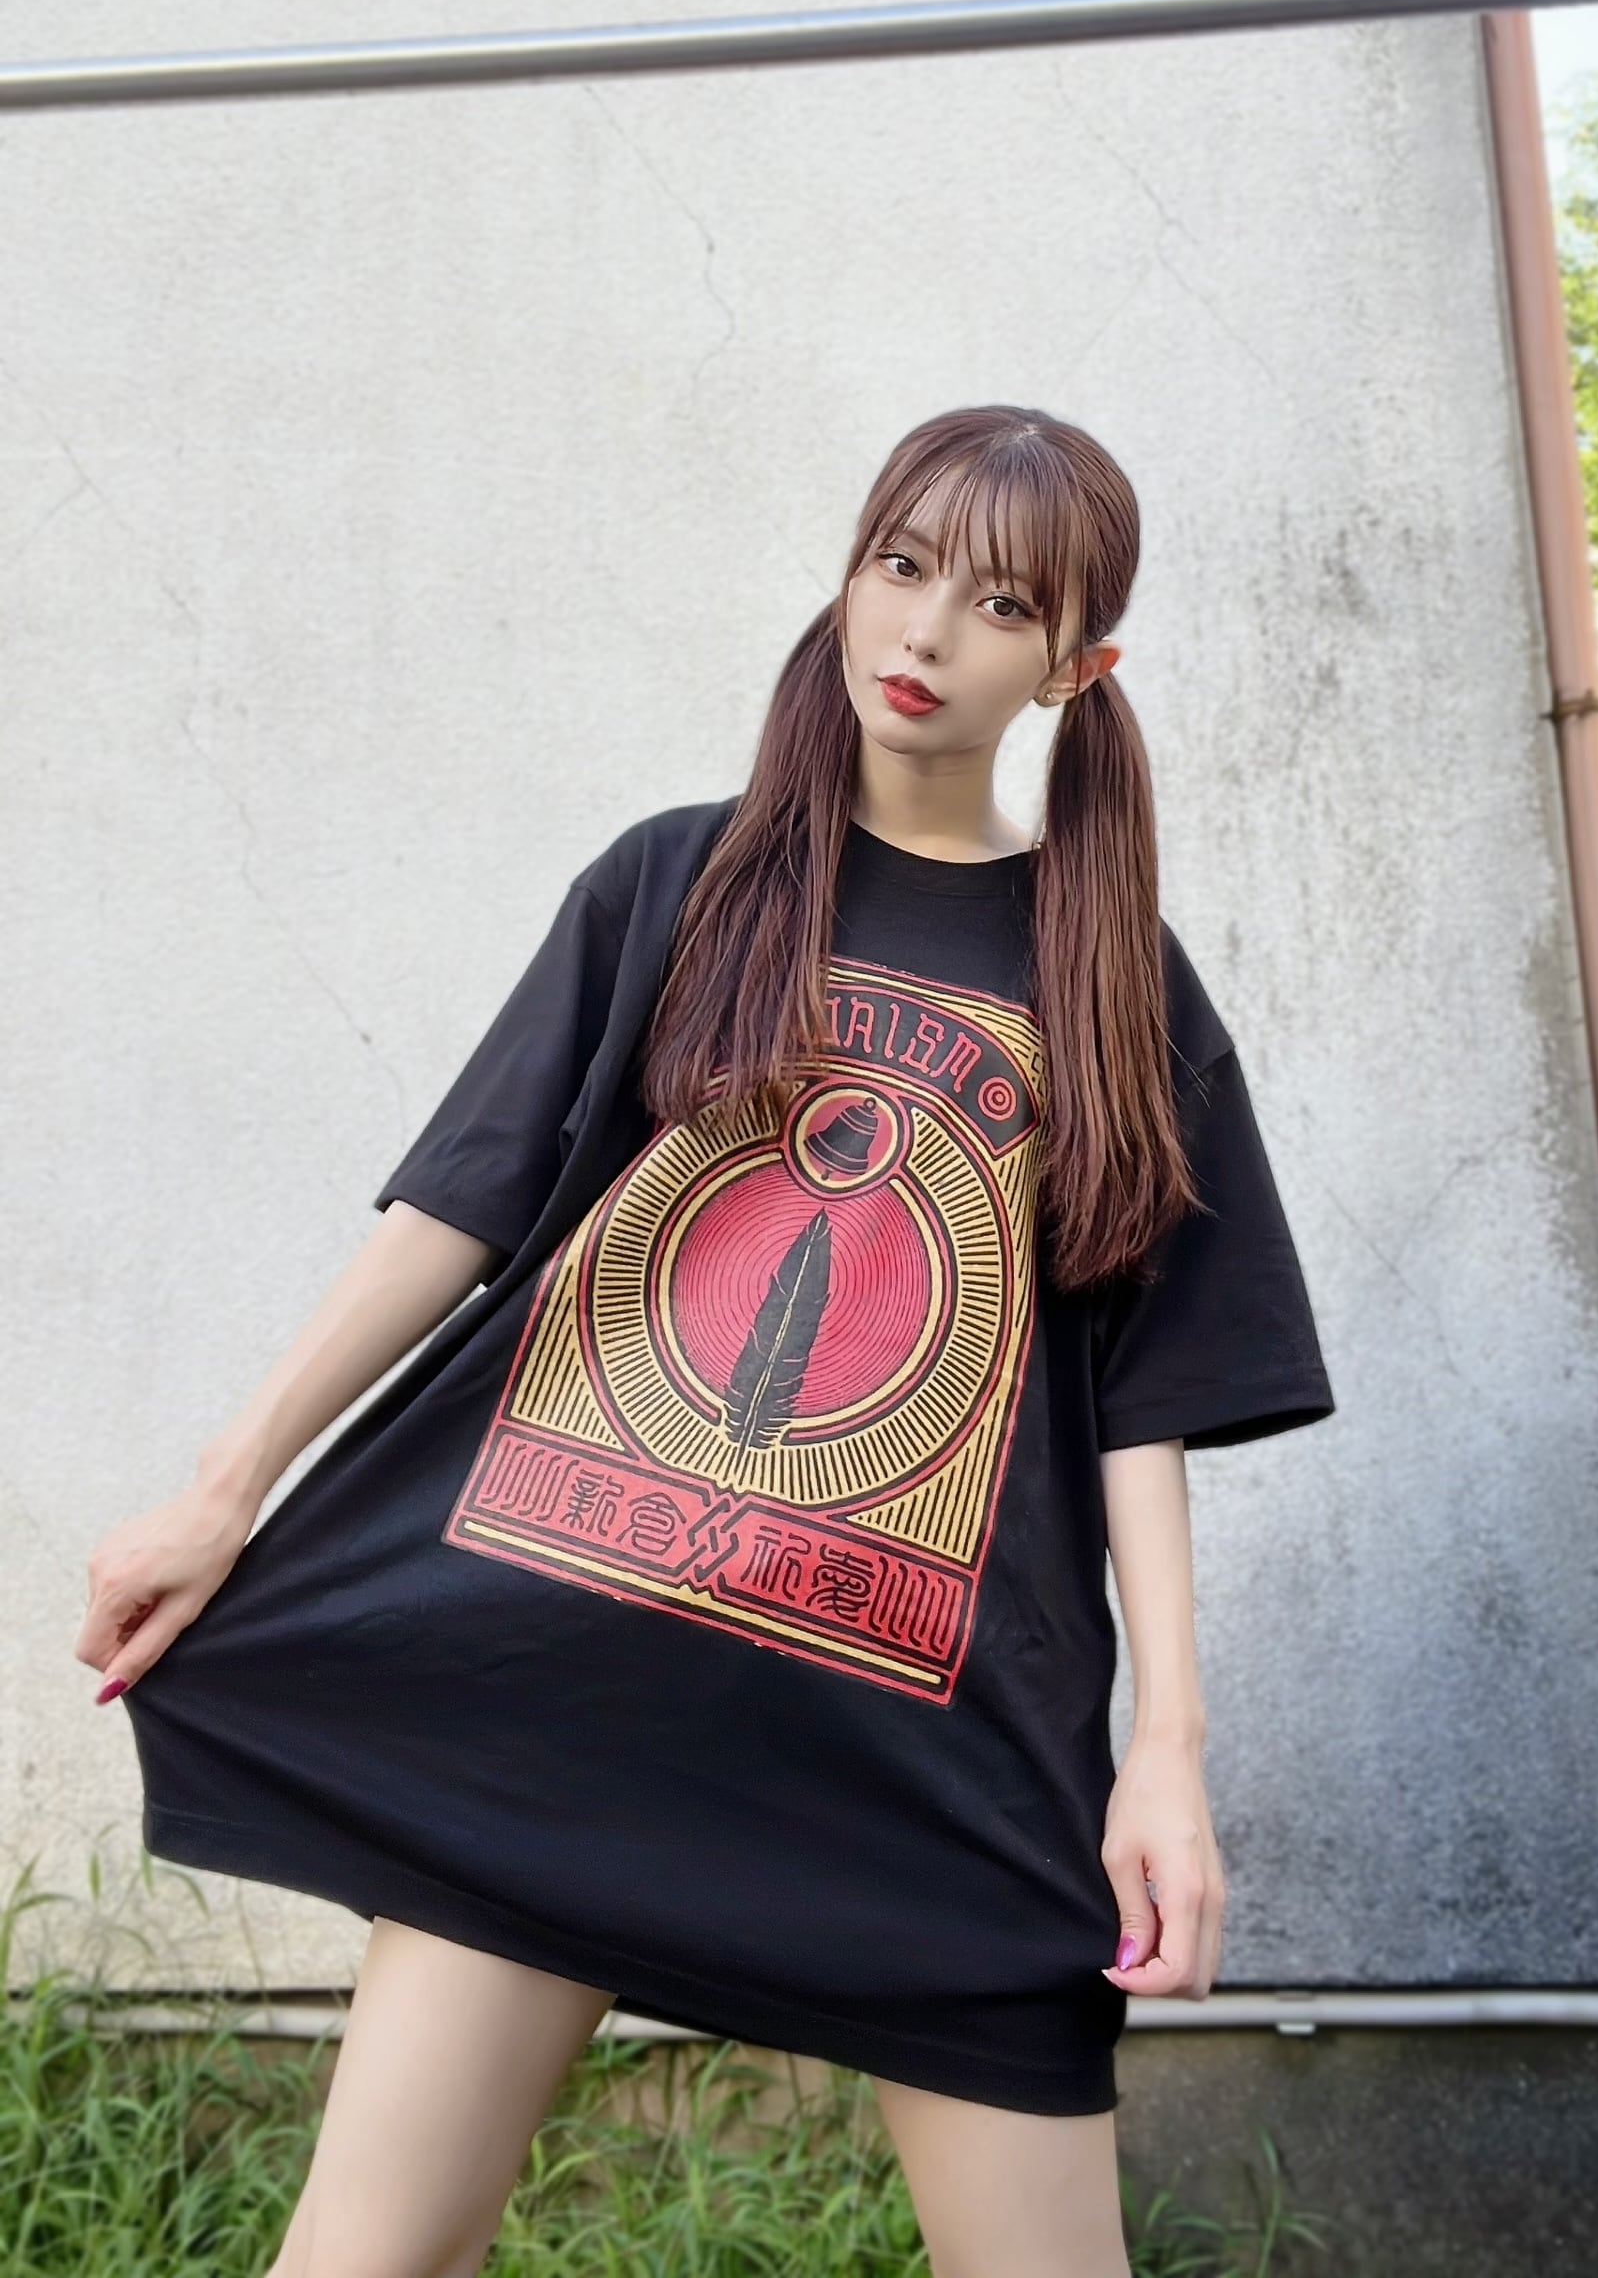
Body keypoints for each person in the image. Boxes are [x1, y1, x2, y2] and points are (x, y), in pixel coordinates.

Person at [76, 403, 1336, 2278]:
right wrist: (225, 1487)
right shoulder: (680, 881)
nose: (926, 633)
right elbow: (462, 1207)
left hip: (930, 1755)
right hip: (564, 1689)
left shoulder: (1116, 985)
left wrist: (1169, 1746)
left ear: (1080, 666)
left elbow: (1137, 1392)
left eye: (1001, 605)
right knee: (362, 2257)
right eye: (901, 565)